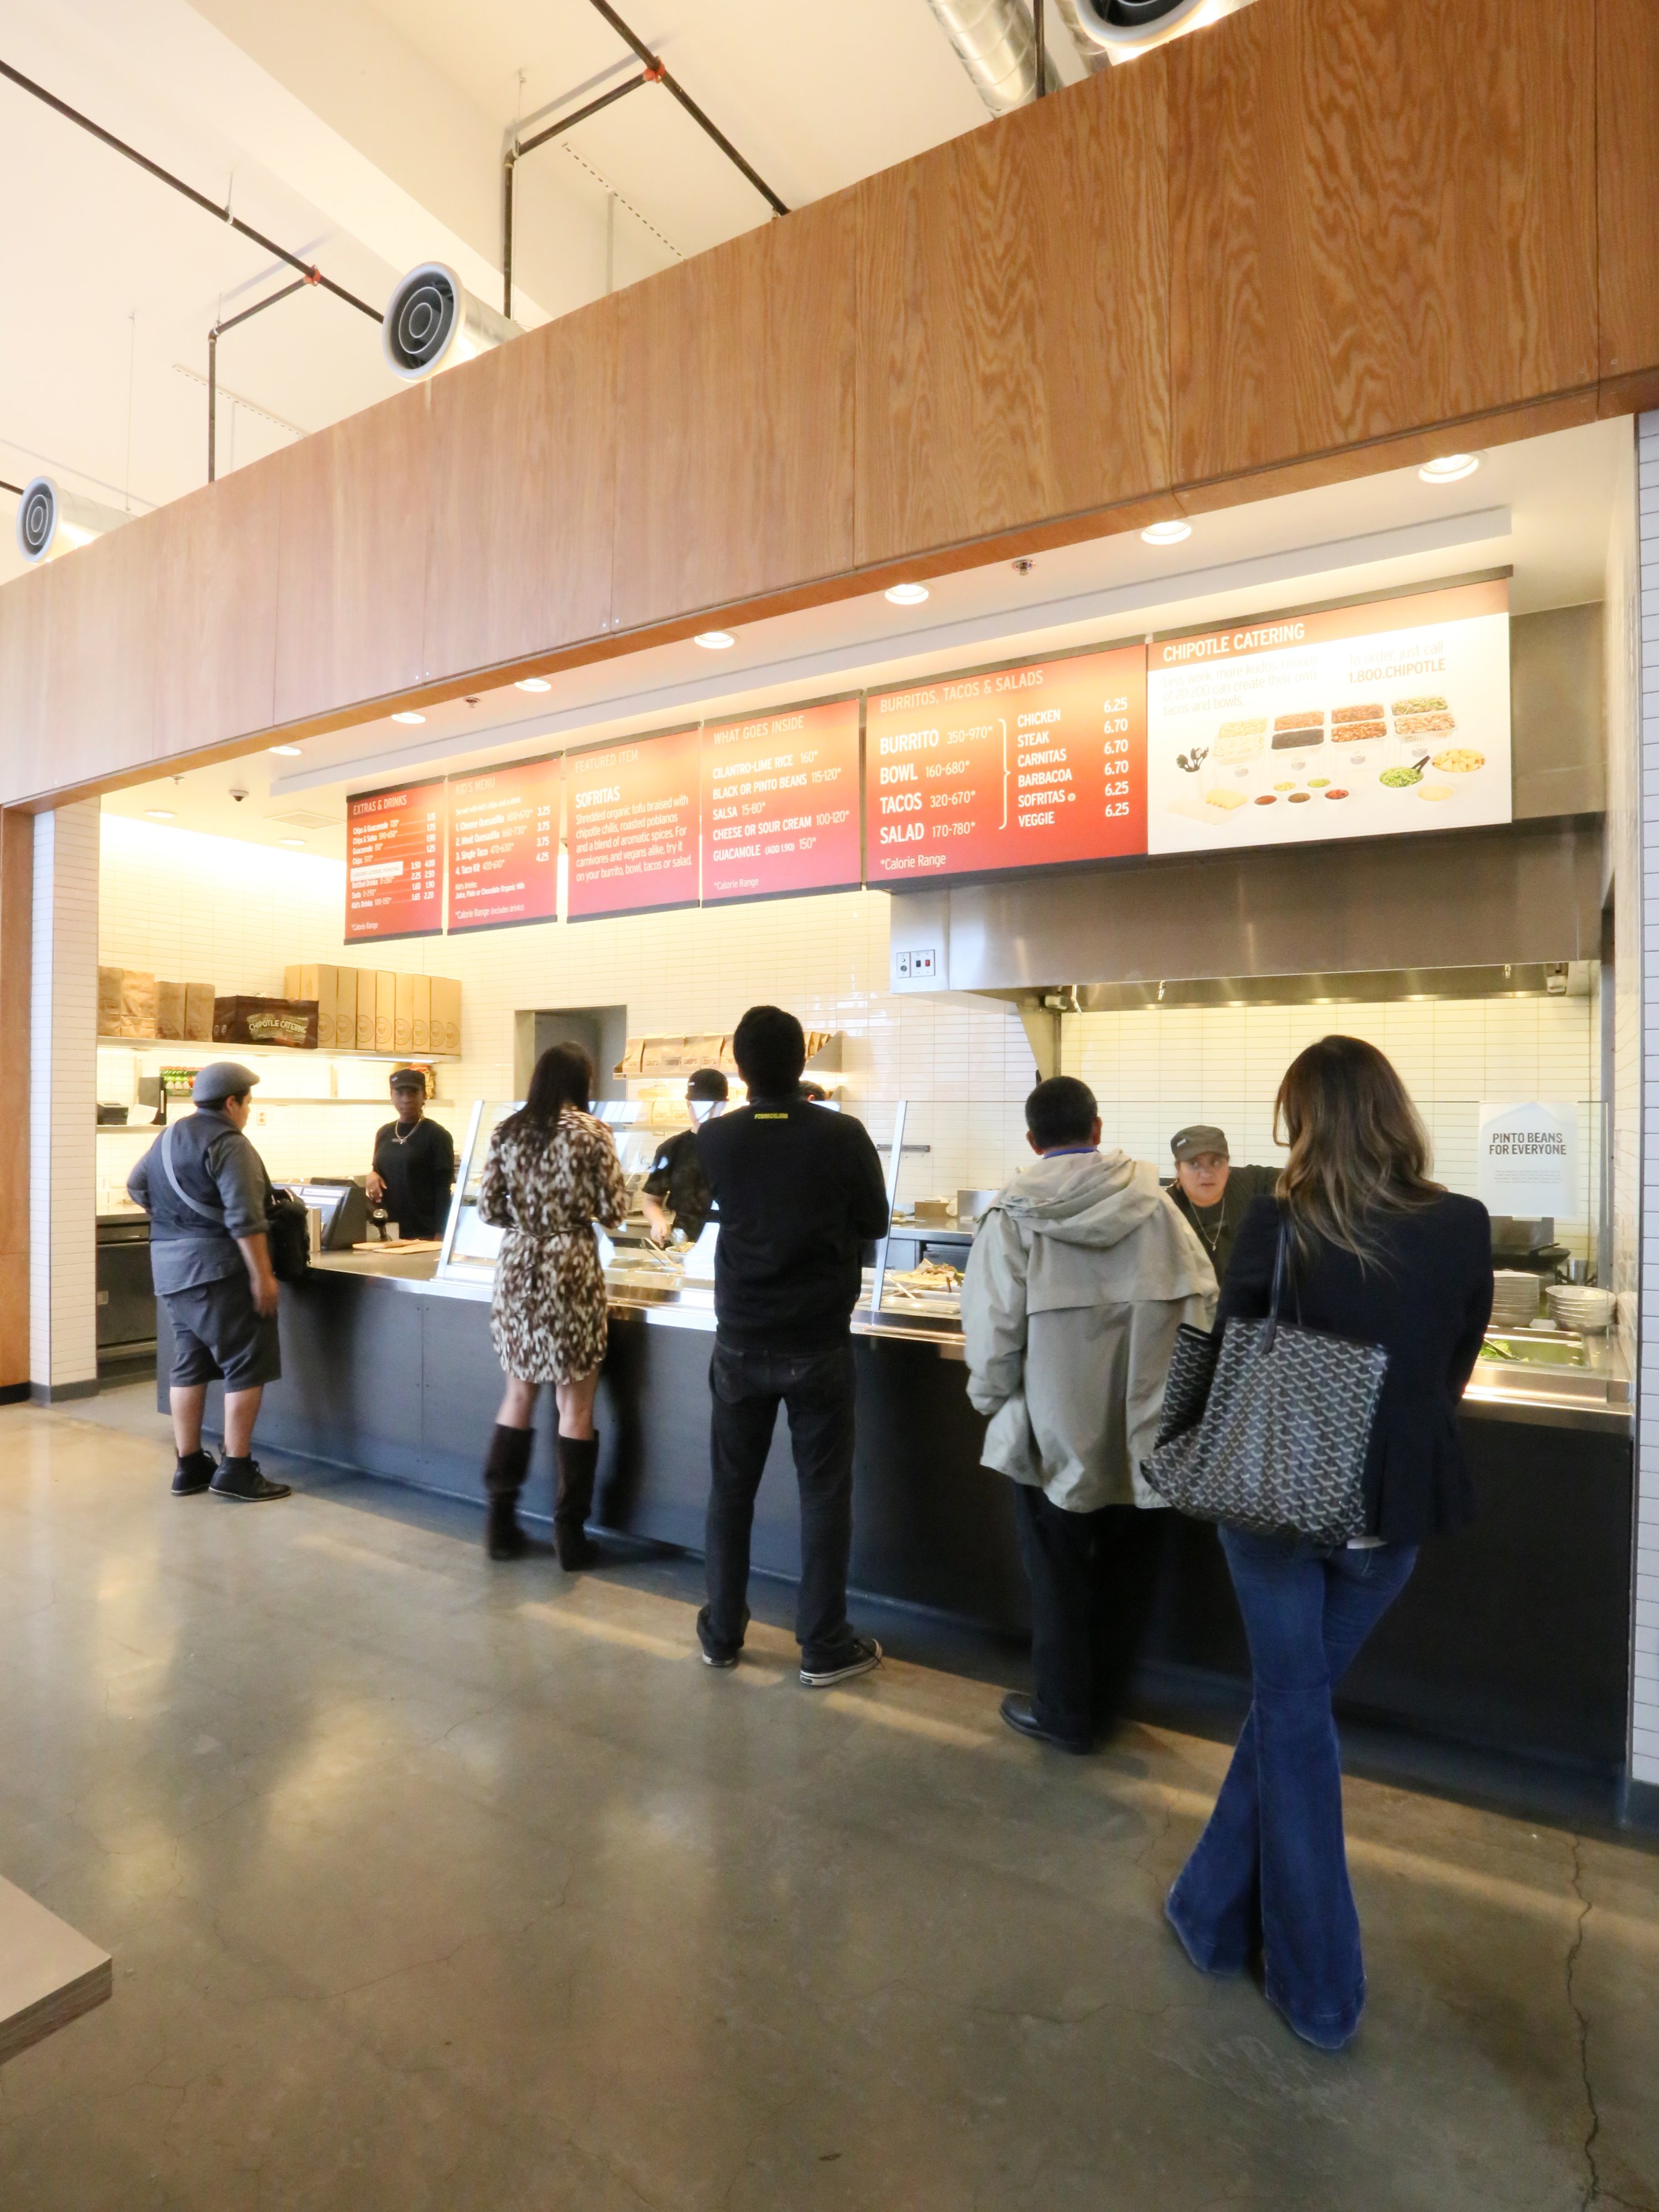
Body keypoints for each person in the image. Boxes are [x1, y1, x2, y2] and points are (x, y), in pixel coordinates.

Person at [1165, 1036, 1493, 2052]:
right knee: (1291, 1712)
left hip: (1270, 1501)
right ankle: (1210, 1916)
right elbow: (1455, 1365)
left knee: (1293, 1717)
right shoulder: (1464, 1225)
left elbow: (1232, 1349)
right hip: (1389, 1514)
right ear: (1395, 1114)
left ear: (1303, 1125)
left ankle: (1319, 1988)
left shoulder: (1277, 1219)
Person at [962, 1077, 1217, 1753]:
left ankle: (1065, 1712)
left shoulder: (1012, 1215)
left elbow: (992, 1334)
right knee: (1129, 1571)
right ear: (1097, 1129)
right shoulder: (1159, 1207)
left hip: (1052, 1430)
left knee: (1059, 1573)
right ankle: (1107, 1701)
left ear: (1031, 1140)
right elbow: (1204, 1304)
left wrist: (990, 1401)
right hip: (1145, 1428)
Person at [694, 1005, 891, 1685]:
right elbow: (876, 1220)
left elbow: (685, 1215)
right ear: (801, 1064)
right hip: (818, 1344)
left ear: (741, 1068)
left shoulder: (715, 1140)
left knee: (731, 1490)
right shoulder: (842, 1135)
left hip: (740, 1340)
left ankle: (722, 1632)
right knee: (824, 1494)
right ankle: (823, 1643)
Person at [477, 1042, 628, 1567]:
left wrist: (528, 1222)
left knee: (518, 1395)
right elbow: (614, 1211)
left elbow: (488, 1210)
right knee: (576, 1404)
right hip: (573, 1268)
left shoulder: (507, 1131)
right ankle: (570, 1537)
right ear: (580, 1081)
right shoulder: (593, 1133)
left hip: (518, 1268)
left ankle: (500, 1524)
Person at [127, 1061, 291, 1503]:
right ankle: (237, 1469)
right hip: (219, 1271)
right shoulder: (230, 1144)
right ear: (233, 1102)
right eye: (247, 1103)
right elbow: (245, 1218)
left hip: (170, 1271)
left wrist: (178, 1223)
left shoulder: (170, 1136)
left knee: (190, 1361)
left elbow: (136, 1185)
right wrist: (263, 1277)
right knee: (245, 1362)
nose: (247, 1111)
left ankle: (189, 1465)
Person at [1165, 1125, 1278, 1284]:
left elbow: (1302, 1178)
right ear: (1178, 1169)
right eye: (1194, 1164)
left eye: (1216, 1162)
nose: (1206, 1174)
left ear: (1228, 1166)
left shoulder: (1250, 1183)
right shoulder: (1165, 1209)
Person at [365, 1068, 456, 1240]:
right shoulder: (384, 1132)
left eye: (413, 1092)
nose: (406, 1099)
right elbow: (379, 1169)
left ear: (424, 1096)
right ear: (392, 1096)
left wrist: (441, 1233)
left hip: (424, 1232)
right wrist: (372, 1174)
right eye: (400, 1093)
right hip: (387, 1230)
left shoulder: (437, 1135)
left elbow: (443, 1190)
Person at [641, 1067, 727, 1245]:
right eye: (695, 1105)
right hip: (682, 1240)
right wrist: (657, 1221)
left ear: (723, 1105)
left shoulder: (736, 1145)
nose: (702, 1112)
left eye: (710, 1105)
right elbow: (651, 1200)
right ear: (688, 1105)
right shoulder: (671, 1148)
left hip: (726, 1239)